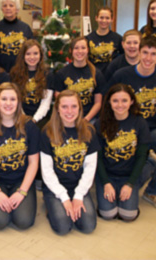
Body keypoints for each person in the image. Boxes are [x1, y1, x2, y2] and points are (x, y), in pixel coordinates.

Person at [108, 36, 156, 212]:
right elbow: (108, 104)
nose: (148, 58)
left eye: (153, 54)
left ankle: (153, 192)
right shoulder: (122, 75)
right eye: (145, 53)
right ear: (139, 52)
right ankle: (147, 163)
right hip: (124, 127)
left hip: (153, 129)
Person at [0, 83, 40, 230]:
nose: (8, 103)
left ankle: (21, 198)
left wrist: (22, 191)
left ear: (18, 102)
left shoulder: (30, 126)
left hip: (21, 180)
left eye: (13, 99)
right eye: (4, 99)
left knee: (24, 221)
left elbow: (33, 163)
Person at [40, 90, 99, 235]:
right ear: (57, 109)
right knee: (63, 227)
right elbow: (46, 171)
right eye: (64, 107)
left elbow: (90, 167)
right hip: (55, 188)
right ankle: (51, 206)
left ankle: (73, 204)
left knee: (88, 226)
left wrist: (78, 196)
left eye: (74, 106)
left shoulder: (89, 130)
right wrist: (64, 197)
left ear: (79, 108)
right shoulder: (47, 131)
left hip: (79, 185)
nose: (69, 111)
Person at [95, 84, 150, 221]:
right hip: (107, 173)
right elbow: (98, 157)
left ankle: (142, 177)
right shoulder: (101, 123)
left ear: (131, 102)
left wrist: (130, 183)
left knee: (128, 215)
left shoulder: (140, 122)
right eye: (115, 100)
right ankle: (111, 188)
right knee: (108, 214)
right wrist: (106, 183)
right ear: (109, 102)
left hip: (129, 173)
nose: (120, 105)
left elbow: (141, 155)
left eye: (124, 100)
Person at [54, 37, 105, 122]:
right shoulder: (61, 74)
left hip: (90, 118)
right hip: (68, 118)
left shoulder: (97, 73)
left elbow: (98, 103)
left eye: (83, 48)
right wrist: (70, 118)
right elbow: (59, 101)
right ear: (71, 51)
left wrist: (86, 119)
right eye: (76, 48)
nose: (80, 51)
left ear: (88, 50)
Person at [10, 39, 53, 125]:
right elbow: (15, 99)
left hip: (41, 119)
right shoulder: (15, 73)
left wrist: (34, 120)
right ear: (23, 56)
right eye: (28, 54)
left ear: (40, 55)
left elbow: (46, 103)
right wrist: (24, 118)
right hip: (19, 116)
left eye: (35, 53)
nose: (32, 57)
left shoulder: (48, 74)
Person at [0, 0, 33, 72]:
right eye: (5, 5)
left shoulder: (25, 28)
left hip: (22, 72)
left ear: (17, 9)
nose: (8, 8)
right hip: (0, 72)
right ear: (2, 9)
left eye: (11, 5)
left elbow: (31, 51)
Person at [85, 6, 123, 75]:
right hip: (94, 76)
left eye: (107, 18)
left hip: (111, 76)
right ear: (96, 18)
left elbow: (124, 57)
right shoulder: (88, 38)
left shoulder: (118, 38)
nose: (104, 21)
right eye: (101, 17)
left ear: (112, 19)